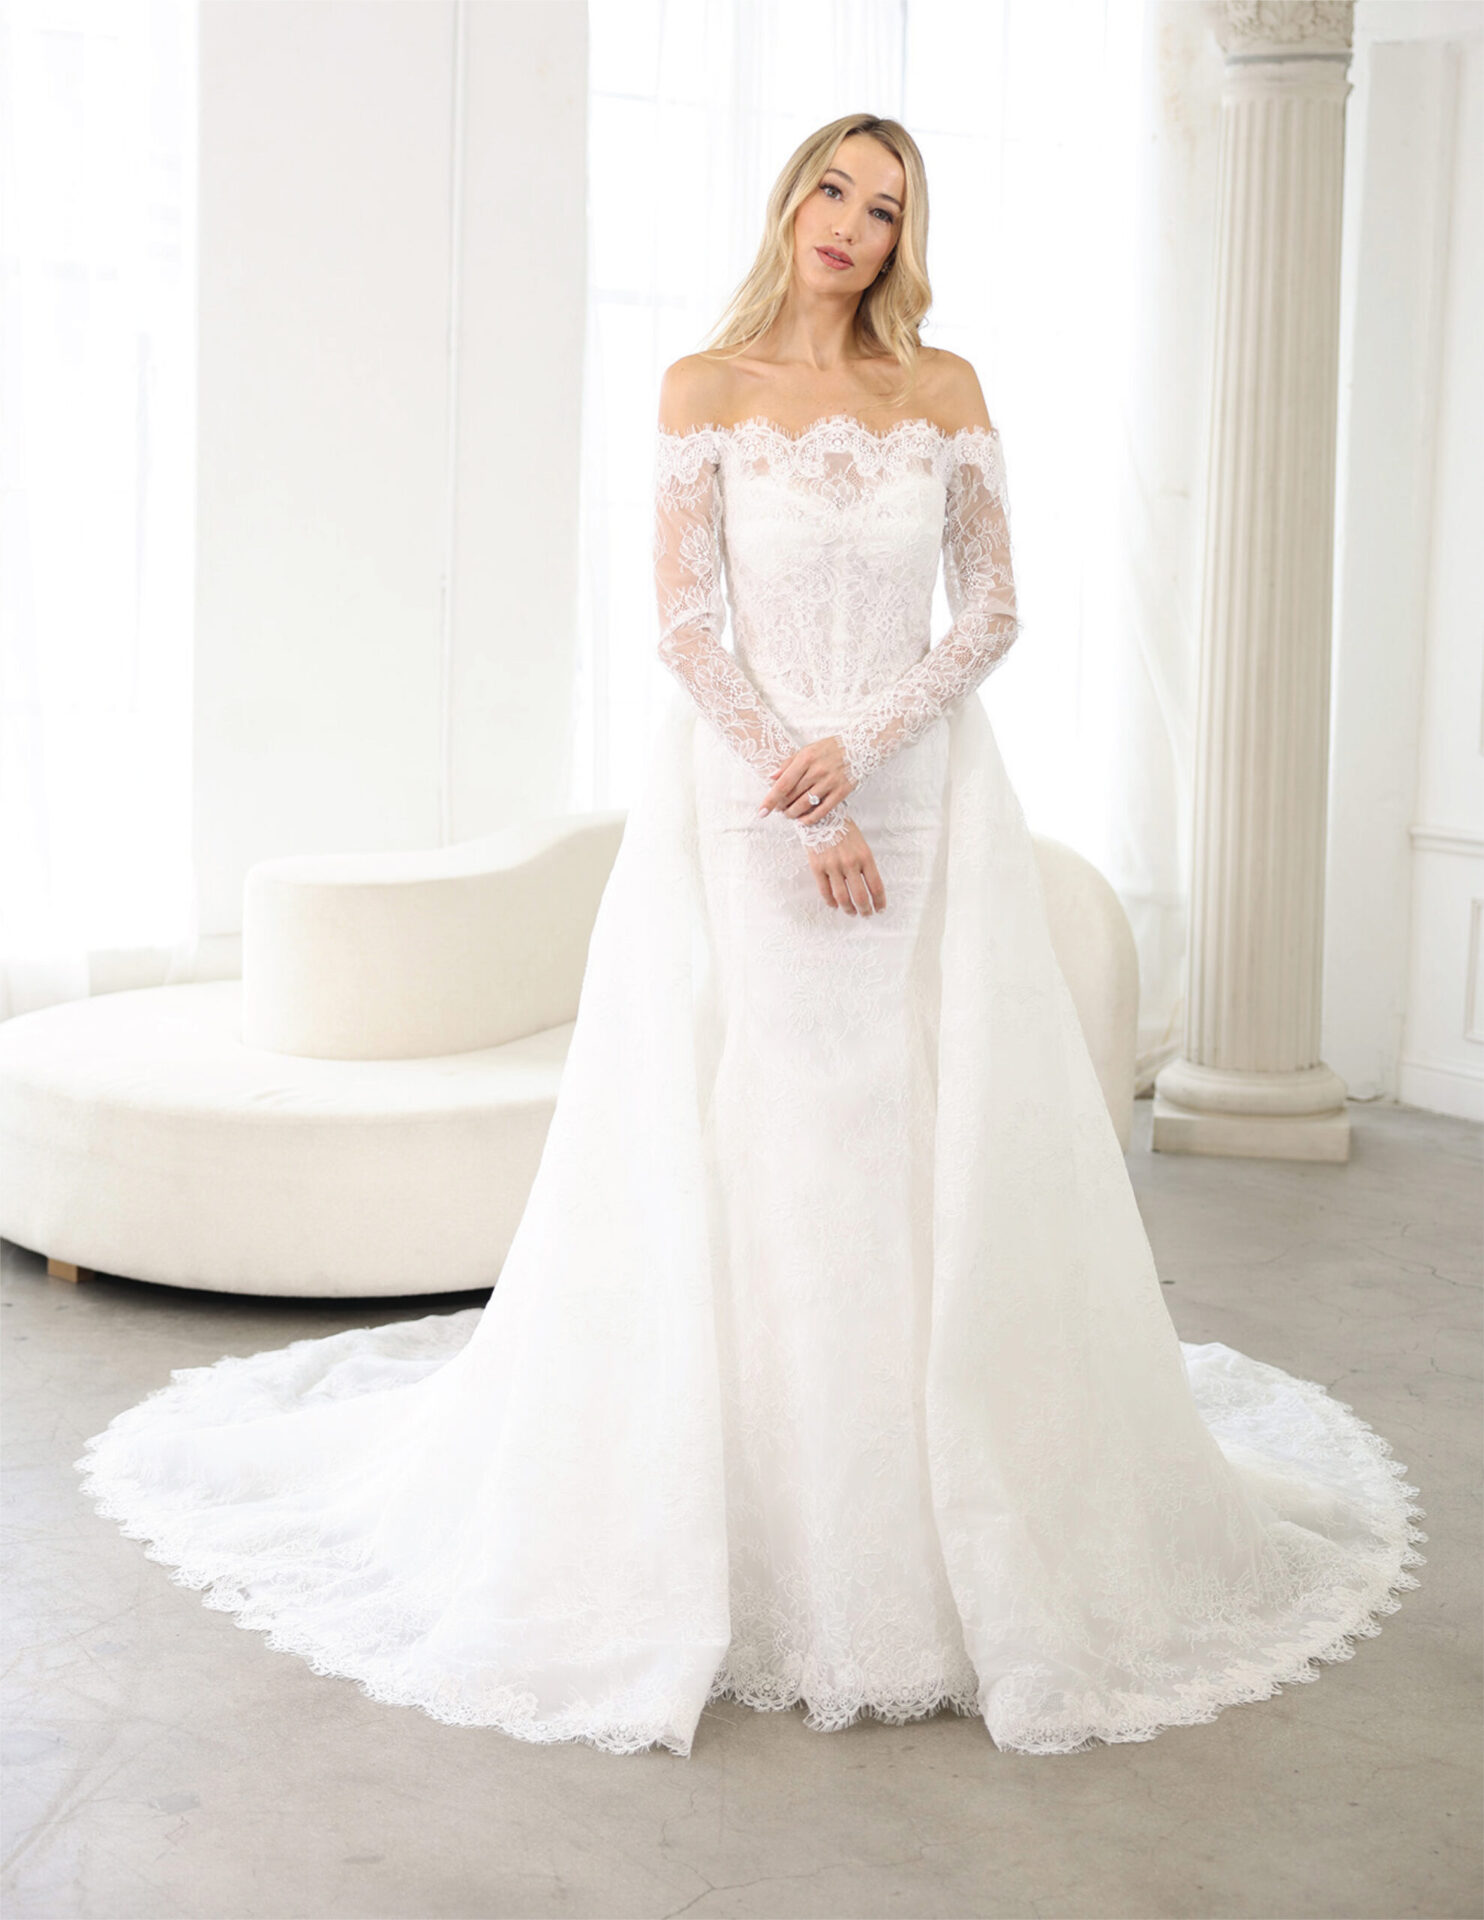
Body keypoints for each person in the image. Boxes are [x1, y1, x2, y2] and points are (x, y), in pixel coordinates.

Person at [76, 113, 1424, 1758]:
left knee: (913, 1138)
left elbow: (993, 608)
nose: (852, 225)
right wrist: (804, 792)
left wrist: (863, 752)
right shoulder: (702, 391)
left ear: (907, 236)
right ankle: (750, 1544)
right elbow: (686, 619)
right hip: (747, 800)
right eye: (834, 190)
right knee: (775, 1139)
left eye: (886, 206)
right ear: (790, 196)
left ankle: (945, 1541)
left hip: (917, 797)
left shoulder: (942, 392)